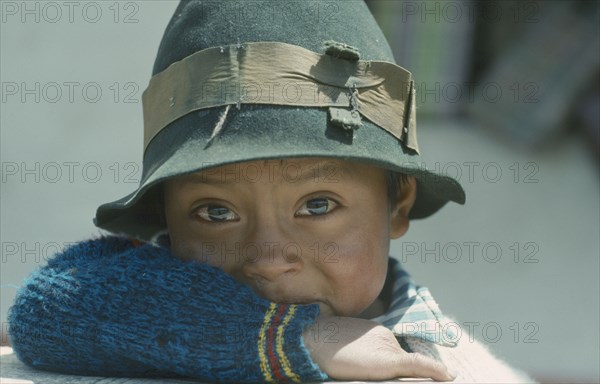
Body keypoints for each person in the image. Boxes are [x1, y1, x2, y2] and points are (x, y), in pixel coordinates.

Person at [7, 1, 533, 382]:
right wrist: (292, 337)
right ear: (167, 216)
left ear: (397, 205)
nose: (267, 258)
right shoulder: (152, 311)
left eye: (318, 205)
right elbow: (41, 310)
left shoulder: (454, 368)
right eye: (215, 212)